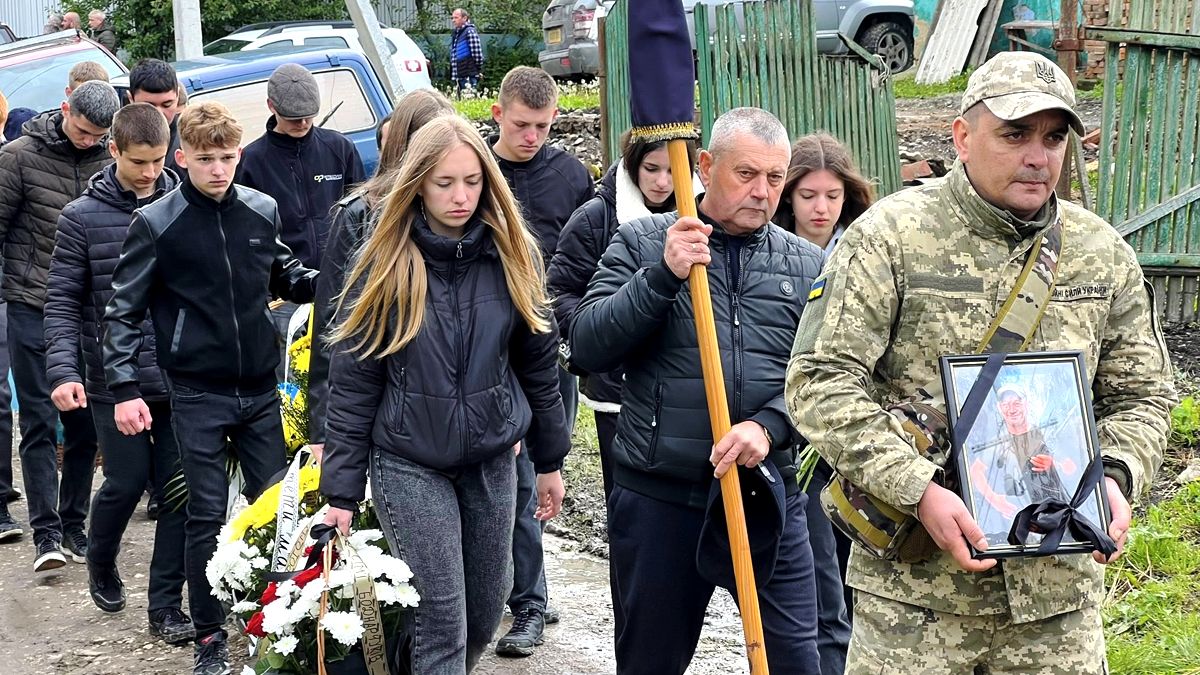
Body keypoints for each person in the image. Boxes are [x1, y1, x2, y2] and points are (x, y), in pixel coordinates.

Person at [786, 52, 1177, 674]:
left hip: (1057, 611)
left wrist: (1118, 475)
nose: (1039, 155)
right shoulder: (890, 238)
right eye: (1015, 133)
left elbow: (1142, 396)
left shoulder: (1101, 253)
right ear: (962, 137)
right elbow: (818, 381)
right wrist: (915, 490)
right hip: (915, 608)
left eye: (1054, 138)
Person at [570, 106, 823, 674]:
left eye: (776, 178)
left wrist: (770, 426)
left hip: (768, 494)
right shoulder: (642, 243)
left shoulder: (807, 264)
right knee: (650, 662)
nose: (762, 192)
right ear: (705, 166)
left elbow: (826, 377)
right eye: (746, 174)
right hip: (662, 498)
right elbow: (586, 346)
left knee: (797, 662)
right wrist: (662, 276)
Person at [319, 114, 569, 673]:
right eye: (445, 183)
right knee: (441, 617)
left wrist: (550, 460)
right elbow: (354, 383)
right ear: (418, 185)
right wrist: (340, 491)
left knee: (482, 614)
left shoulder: (513, 255)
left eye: (473, 182)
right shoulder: (383, 262)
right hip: (409, 461)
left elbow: (538, 364)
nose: (461, 197)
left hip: (490, 457)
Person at [102, 101, 318, 675]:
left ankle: (277, 623)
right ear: (182, 158)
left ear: (239, 154)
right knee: (204, 515)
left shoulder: (260, 210)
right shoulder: (156, 223)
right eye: (204, 159)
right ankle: (207, 637)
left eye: (226, 157)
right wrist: (123, 388)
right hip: (194, 391)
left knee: (277, 512)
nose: (217, 169)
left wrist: (327, 283)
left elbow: (283, 271)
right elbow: (122, 313)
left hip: (260, 389)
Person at [43, 102, 191, 644]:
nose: (150, 173)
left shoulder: (186, 205)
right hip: (114, 379)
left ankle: (165, 607)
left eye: (157, 161)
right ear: (114, 150)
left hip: (179, 378)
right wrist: (62, 371)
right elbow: (60, 302)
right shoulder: (80, 218)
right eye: (138, 162)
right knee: (126, 482)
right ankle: (100, 559)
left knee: (179, 492)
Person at [488, 65, 593, 657]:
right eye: (523, 125)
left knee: (543, 476)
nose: (532, 137)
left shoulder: (570, 175)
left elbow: (586, 258)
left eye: (544, 127)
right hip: (493, 347)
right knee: (515, 475)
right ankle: (526, 599)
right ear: (498, 115)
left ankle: (530, 586)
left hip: (552, 346)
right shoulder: (479, 174)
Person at [0, 80, 118, 571]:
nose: (88, 141)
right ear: (64, 108)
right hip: (31, 304)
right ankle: (45, 533)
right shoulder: (18, 157)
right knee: (39, 421)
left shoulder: (110, 162)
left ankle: (74, 521)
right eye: (82, 130)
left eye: (97, 135)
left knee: (86, 425)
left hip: (91, 312)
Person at [547, 130, 697, 503]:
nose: (662, 182)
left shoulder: (701, 219)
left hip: (684, 391)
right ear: (632, 165)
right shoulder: (596, 219)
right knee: (627, 506)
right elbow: (560, 293)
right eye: (651, 168)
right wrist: (598, 340)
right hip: (617, 392)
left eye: (671, 170)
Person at [307, 88, 454, 458]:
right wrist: (325, 429)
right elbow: (332, 324)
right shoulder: (360, 215)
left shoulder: (466, 213)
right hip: (383, 402)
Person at [777, 131, 876, 675]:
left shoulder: (865, 248)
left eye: (832, 196)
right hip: (793, 438)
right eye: (809, 194)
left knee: (852, 568)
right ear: (790, 195)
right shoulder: (768, 248)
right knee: (817, 588)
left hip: (853, 436)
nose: (821, 208)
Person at [236, 63, 364, 374]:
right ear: (271, 106)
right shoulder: (252, 161)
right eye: (293, 117)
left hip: (340, 293)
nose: (303, 122)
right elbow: (246, 239)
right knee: (292, 391)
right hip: (283, 302)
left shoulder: (339, 149)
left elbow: (364, 221)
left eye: (309, 114)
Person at [127, 59, 182, 177]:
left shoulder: (194, 142)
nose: (159, 114)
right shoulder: (111, 144)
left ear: (178, 95)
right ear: (131, 99)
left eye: (167, 104)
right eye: (149, 106)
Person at [450, 8, 484, 99]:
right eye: (452, 18)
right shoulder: (457, 33)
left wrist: (476, 69)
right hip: (459, 74)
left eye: (456, 18)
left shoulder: (469, 32)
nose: (453, 20)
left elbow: (477, 53)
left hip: (468, 74)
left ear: (464, 18)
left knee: (469, 99)